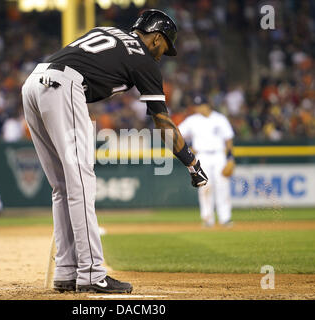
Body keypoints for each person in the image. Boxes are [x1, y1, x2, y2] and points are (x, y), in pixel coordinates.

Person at [21, 9, 208, 294]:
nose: (162, 54)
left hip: (35, 82)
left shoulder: (107, 32)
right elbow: (163, 122)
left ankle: (67, 270)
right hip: (63, 87)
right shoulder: (144, 59)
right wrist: (191, 162)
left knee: (61, 186)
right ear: (157, 38)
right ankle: (93, 273)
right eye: (165, 47)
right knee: (81, 183)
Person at [178, 95, 235, 227]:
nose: (198, 108)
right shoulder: (192, 120)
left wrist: (230, 157)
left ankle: (225, 218)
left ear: (207, 105)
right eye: (196, 106)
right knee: (204, 187)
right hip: (201, 156)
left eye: (200, 105)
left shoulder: (219, 119)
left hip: (219, 155)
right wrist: (187, 148)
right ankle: (207, 218)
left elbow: (228, 139)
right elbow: (177, 134)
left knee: (222, 186)